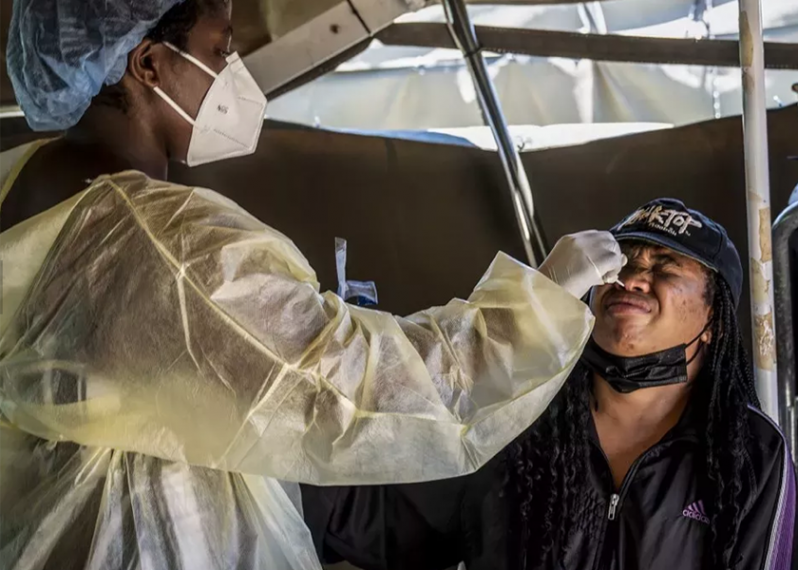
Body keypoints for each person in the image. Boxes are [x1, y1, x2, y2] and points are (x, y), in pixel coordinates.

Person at [0, 1, 625, 568]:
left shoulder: (20, 185)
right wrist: (534, 309)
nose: (233, 72)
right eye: (220, 50)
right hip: (145, 539)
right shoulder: (167, 243)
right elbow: (350, 390)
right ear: (149, 64)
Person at [303, 198, 798, 570]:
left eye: (664, 266)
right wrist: (312, 402)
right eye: (623, 263)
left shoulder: (750, 452)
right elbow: (388, 524)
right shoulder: (521, 414)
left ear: (715, 320)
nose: (632, 277)